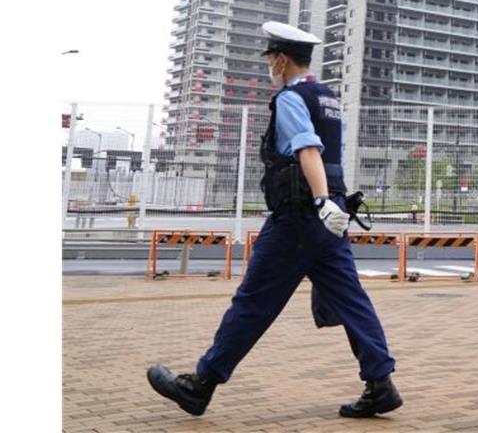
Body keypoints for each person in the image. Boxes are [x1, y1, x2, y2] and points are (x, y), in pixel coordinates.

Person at [146, 22, 401, 419]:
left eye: (270, 59)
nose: (269, 65)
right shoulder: (327, 97)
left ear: (281, 59)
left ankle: (201, 384)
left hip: (299, 218)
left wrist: (318, 200)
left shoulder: (291, 98)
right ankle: (380, 383)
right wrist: (330, 204)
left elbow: (308, 151)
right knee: (351, 299)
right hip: (330, 218)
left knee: (253, 301)